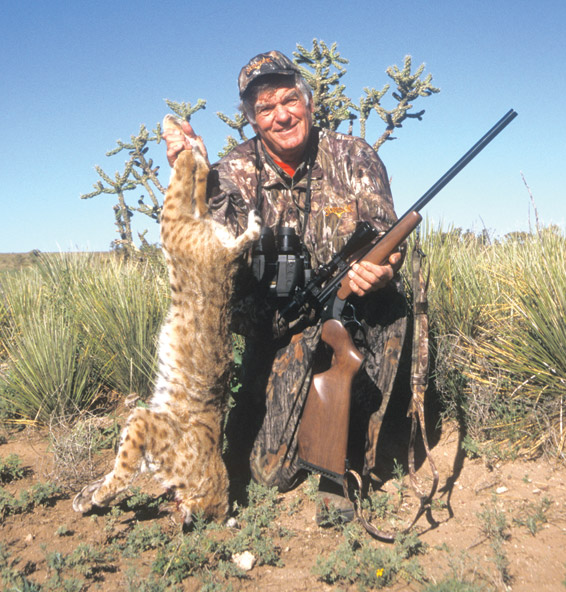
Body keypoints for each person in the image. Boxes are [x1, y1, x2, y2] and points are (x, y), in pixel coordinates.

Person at [163, 50, 408, 522]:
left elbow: (385, 232)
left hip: (354, 309)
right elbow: (214, 238)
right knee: (269, 472)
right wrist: (196, 175)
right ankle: (288, 416)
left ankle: (347, 468)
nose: (281, 115)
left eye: (290, 100)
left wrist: (383, 266)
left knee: (392, 308)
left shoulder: (355, 155)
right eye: (265, 108)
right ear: (252, 120)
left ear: (309, 102)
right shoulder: (234, 170)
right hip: (281, 329)